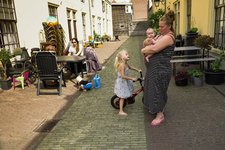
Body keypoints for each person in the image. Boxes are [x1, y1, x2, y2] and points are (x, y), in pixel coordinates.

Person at [141, 10, 176, 126]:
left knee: (157, 90)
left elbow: (154, 49)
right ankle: (157, 108)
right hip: (154, 69)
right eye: (159, 26)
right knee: (153, 89)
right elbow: (148, 42)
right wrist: (146, 44)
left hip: (160, 69)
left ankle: (160, 115)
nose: (160, 29)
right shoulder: (162, 36)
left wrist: (143, 50)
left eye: (162, 27)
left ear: (169, 26)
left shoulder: (169, 37)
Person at [114, 50, 142, 116]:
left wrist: (138, 70)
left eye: (128, 54)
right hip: (122, 82)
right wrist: (132, 78)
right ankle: (120, 111)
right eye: (126, 54)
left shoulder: (125, 63)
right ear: (122, 57)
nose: (128, 55)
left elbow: (130, 67)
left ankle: (127, 100)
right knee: (122, 97)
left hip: (125, 81)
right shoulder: (122, 65)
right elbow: (123, 76)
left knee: (129, 90)